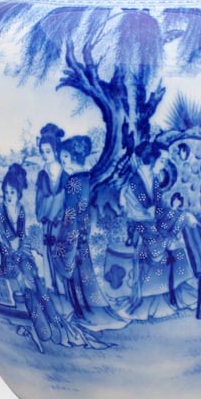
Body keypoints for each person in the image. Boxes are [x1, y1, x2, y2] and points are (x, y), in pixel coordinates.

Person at [0, 163, 108, 349]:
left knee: (35, 280)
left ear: (18, 194)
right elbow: (7, 237)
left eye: (12, 192)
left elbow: (22, 237)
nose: (8, 196)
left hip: (22, 255)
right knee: (28, 280)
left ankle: (56, 323)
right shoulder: (1, 210)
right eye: (6, 192)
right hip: (9, 258)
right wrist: (18, 249)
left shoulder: (20, 210)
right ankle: (44, 326)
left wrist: (22, 249)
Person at [53, 136, 128, 331]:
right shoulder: (91, 179)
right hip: (87, 235)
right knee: (87, 277)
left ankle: (89, 315)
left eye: (64, 157)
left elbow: (70, 216)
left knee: (80, 278)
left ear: (73, 156)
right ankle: (93, 313)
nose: (62, 162)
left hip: (75, 236)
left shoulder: (73, 182)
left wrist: (64, 241)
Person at [121, 141, 198, 320]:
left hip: (153, 223)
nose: (164, 165)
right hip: (140, 226)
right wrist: (167, 227)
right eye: (162, 161)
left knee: (178, 248)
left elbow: (160, 208)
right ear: (151, 159)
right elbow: (149, 210)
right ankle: (151, 305)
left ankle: (177, 297)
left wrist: (183, 215)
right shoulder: (135, 181)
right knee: (161, 252)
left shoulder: (154, 180)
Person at [34, 123, 69, 309]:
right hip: (47, 220)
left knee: (60, 252)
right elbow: (39, 198)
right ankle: (50, 285)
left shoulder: (64, 174)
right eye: (42, 152)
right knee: (47, 251)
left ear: (55, 151)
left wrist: (60, 213)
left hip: (61, 222)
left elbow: (67, 198)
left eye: (48, 151)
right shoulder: (42, 174)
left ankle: (63, 287)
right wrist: (44, 212)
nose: (45, 155)